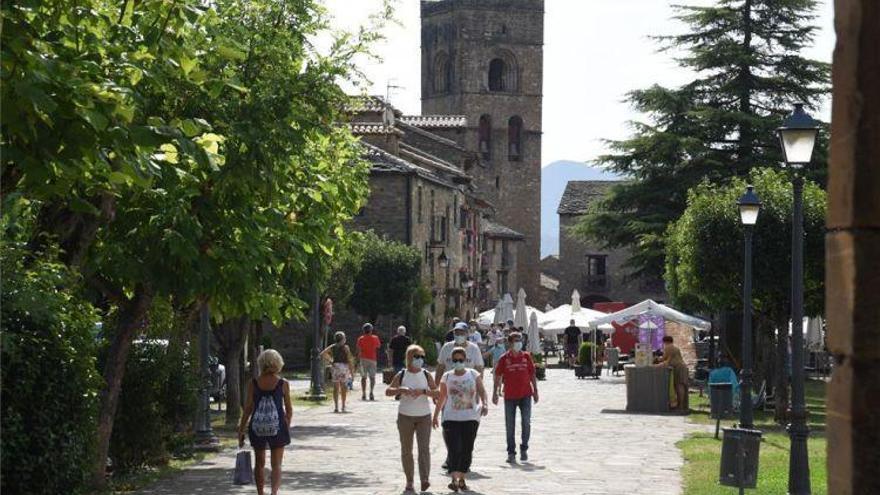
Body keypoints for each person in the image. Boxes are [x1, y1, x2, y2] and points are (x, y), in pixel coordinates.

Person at [433, 347, 489, 492]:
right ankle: (454, 479)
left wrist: (485, 404)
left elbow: (482, 390)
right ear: (451, 361)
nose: (458, 362)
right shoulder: (447, 376)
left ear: (466, 360)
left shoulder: (473, 374)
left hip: (470, 417)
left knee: (466, 448)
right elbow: (442, 396)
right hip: (450, 417)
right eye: (455, 360)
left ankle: (462, 478)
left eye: (461, 360)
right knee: (453, 448)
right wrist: (435, 415)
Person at [238, 350, 292, 495]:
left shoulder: (253, 383)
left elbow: (248, 408)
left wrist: (241, 429)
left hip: (257, 426)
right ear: (278, 363)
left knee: (259, 463)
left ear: (261, 363)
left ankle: (260, 493)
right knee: (276, 465)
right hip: (278, 426)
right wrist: (286, 425)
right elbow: (289, 409)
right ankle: (274, 493)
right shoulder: (283, 383)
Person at [385, 345, 439, 493]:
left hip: (424, 417)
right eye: (417, 357)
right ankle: (409, 481)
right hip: (405, 416)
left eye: (422, 357)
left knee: (424, 449)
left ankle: (424, 479)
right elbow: (388, 391)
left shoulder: (426, 374)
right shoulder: (402, 374)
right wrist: (401, 390)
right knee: (406, 450)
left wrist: (423, 392)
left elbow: (437, 393)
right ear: (409, 358)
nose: (420, 360)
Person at [493, 332, 539, 463]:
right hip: (510, 395)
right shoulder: (504, 358)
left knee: (526, 422)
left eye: (520, 340)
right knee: (510, 425)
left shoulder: (526, 356)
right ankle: (511, 452)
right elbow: (498, 376)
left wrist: (535, 390)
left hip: (525, 394)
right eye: (516, 340)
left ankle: (524, 447)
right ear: (510, 343)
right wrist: (495, 392)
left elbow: (532, 374)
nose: (519, 342)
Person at [320, 331, 356, 413]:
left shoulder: (333, 346)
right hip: (344, 368)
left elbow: (322, 353)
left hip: (335, 367)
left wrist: (330, 360)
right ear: (343, 339)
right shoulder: (346, 347)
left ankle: (336, 406)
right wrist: (352, 372)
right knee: (343, 387)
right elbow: (349, 360)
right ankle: (343, 405)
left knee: (335, 388)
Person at [655, 335, 689, 411]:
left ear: (665, 341)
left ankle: (681, 406)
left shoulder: (668, 347)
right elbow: (669, 359)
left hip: (679, 367)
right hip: (682, 366)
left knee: (679, 385)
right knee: (680, 386)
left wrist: (657, 359)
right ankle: (681, 405)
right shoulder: (675, 347)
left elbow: (664, 359)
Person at [356, 323, 381, 401]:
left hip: (363, 359)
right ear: (371, 330)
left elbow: (358, 350)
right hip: (373, 359)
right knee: (372, 377)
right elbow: (378, 346)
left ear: (363, 330)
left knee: (363, 377)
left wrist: (357, 360)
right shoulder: (375, 338)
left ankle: (364, 393)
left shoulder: (360, 339)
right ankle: (371, 392)